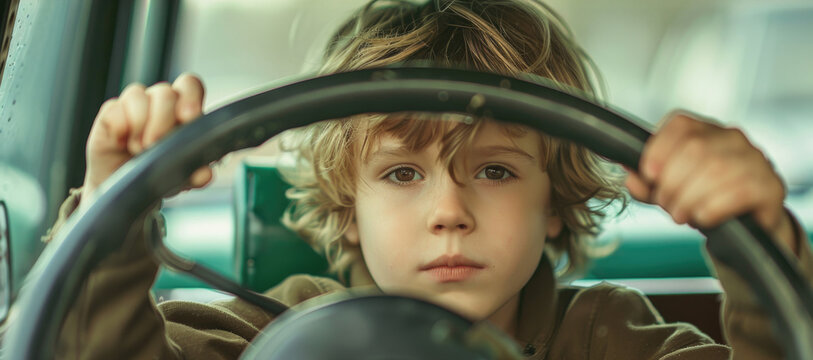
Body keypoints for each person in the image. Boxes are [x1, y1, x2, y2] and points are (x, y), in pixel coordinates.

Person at [46, 0, 812, 359]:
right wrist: (115, 210)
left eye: (495, 170)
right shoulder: (268, 336)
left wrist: (756, 240)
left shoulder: (612, 343)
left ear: (554, 205)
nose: (448, 211)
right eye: (403, 172)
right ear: (349, 210)